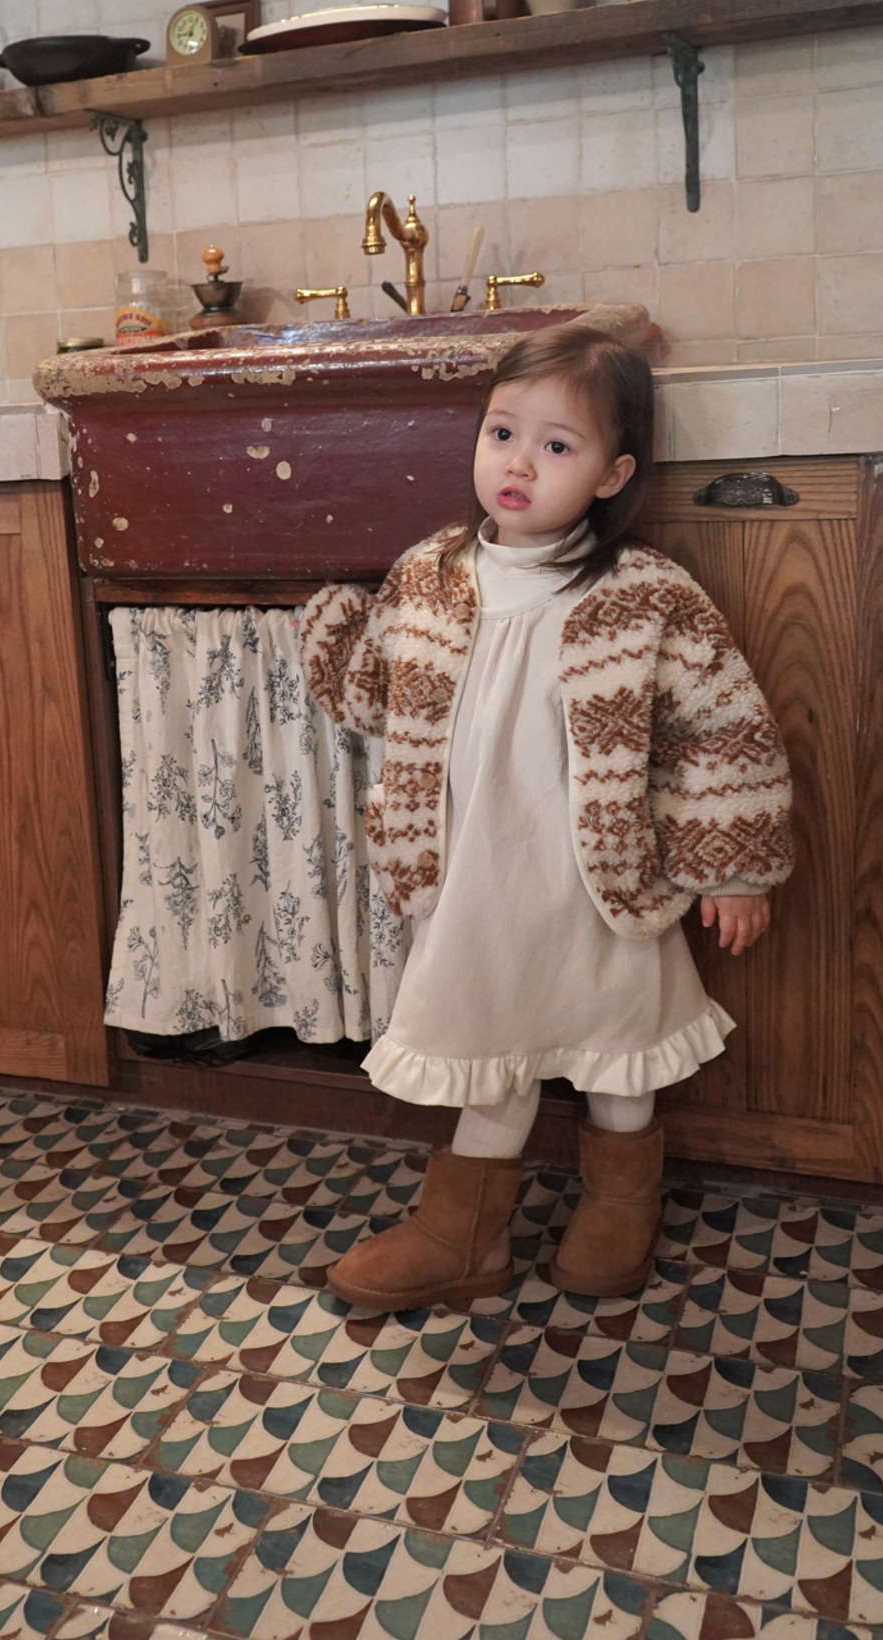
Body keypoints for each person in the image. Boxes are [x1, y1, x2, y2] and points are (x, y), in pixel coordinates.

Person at [299, 321, 793, 1313]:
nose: (517, 463)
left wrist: (734, 866)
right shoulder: (429, 575)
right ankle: (462, 1231)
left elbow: (720, 724)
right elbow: (375, 694)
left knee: (617, 1026)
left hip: (594, 877)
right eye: (501, 434)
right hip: (474, 874)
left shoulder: (646, 594)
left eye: (555, 445)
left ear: (611, 475)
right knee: (489, 1027)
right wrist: (330, 632)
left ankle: (621, 1200)